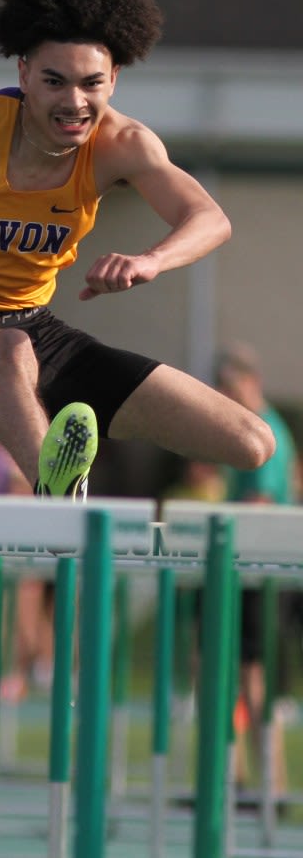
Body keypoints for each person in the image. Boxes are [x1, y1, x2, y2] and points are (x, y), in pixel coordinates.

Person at [0, 0, 274, 499]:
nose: (74, 103)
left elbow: (208, 218)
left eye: (91, 84)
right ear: (23, 73)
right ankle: (58, 501)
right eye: (54, 82)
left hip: (35, 330)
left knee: (251, 442)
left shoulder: (121, 145)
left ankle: (46, 434)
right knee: (8, 351)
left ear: (115, 79)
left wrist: (150, 259)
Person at [215, 342, 300, 808]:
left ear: (253, 382)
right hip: (252, 568)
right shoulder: (252, 430)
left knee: (255, 679)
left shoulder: (263, 433)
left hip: (262, 571)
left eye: (231, 387)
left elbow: (261, 504)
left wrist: (215, 519)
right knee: (238, 676)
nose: (226, 395)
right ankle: (246, 780)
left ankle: (271, 785)